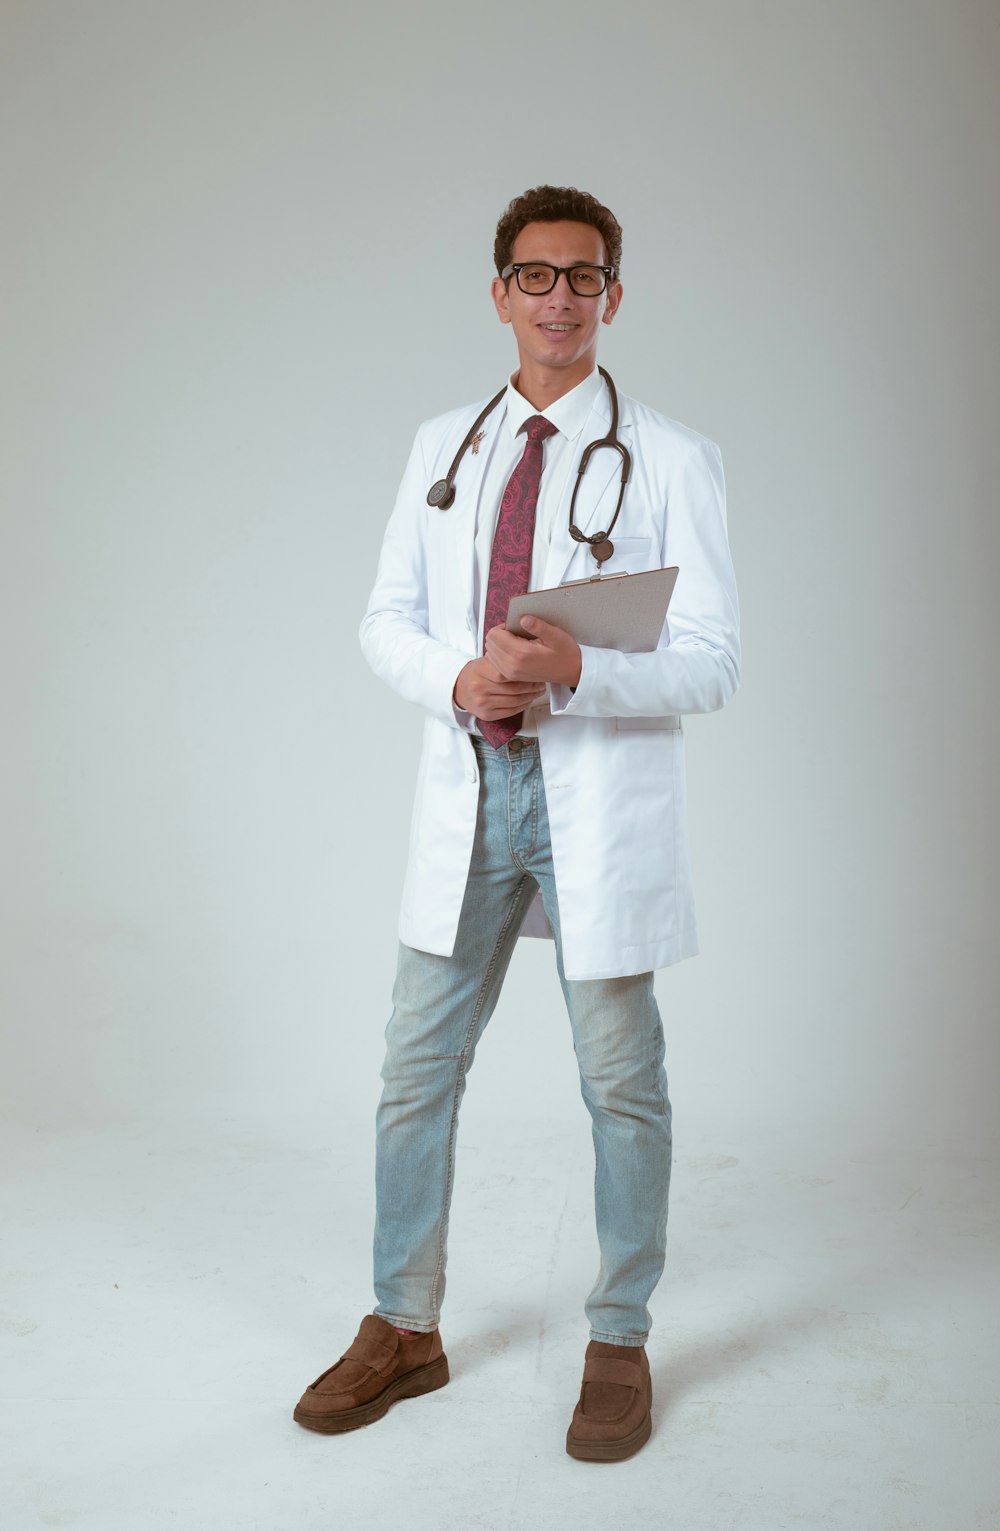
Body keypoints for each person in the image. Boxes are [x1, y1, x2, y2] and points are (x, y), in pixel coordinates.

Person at [293, 185, 740, 1461]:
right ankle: (404, 1324)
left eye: (583, 277)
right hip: (472, 792)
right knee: (412, 1073)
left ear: (613, 296)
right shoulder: (446, 444)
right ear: (499, 293)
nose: (559, 297)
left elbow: (712, 659)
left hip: (589, 795)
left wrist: (577, 675)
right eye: (535, 276)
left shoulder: (672, 456)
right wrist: (454, 677)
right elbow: (383, 618)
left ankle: (617, 1333)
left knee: (621, 1082)